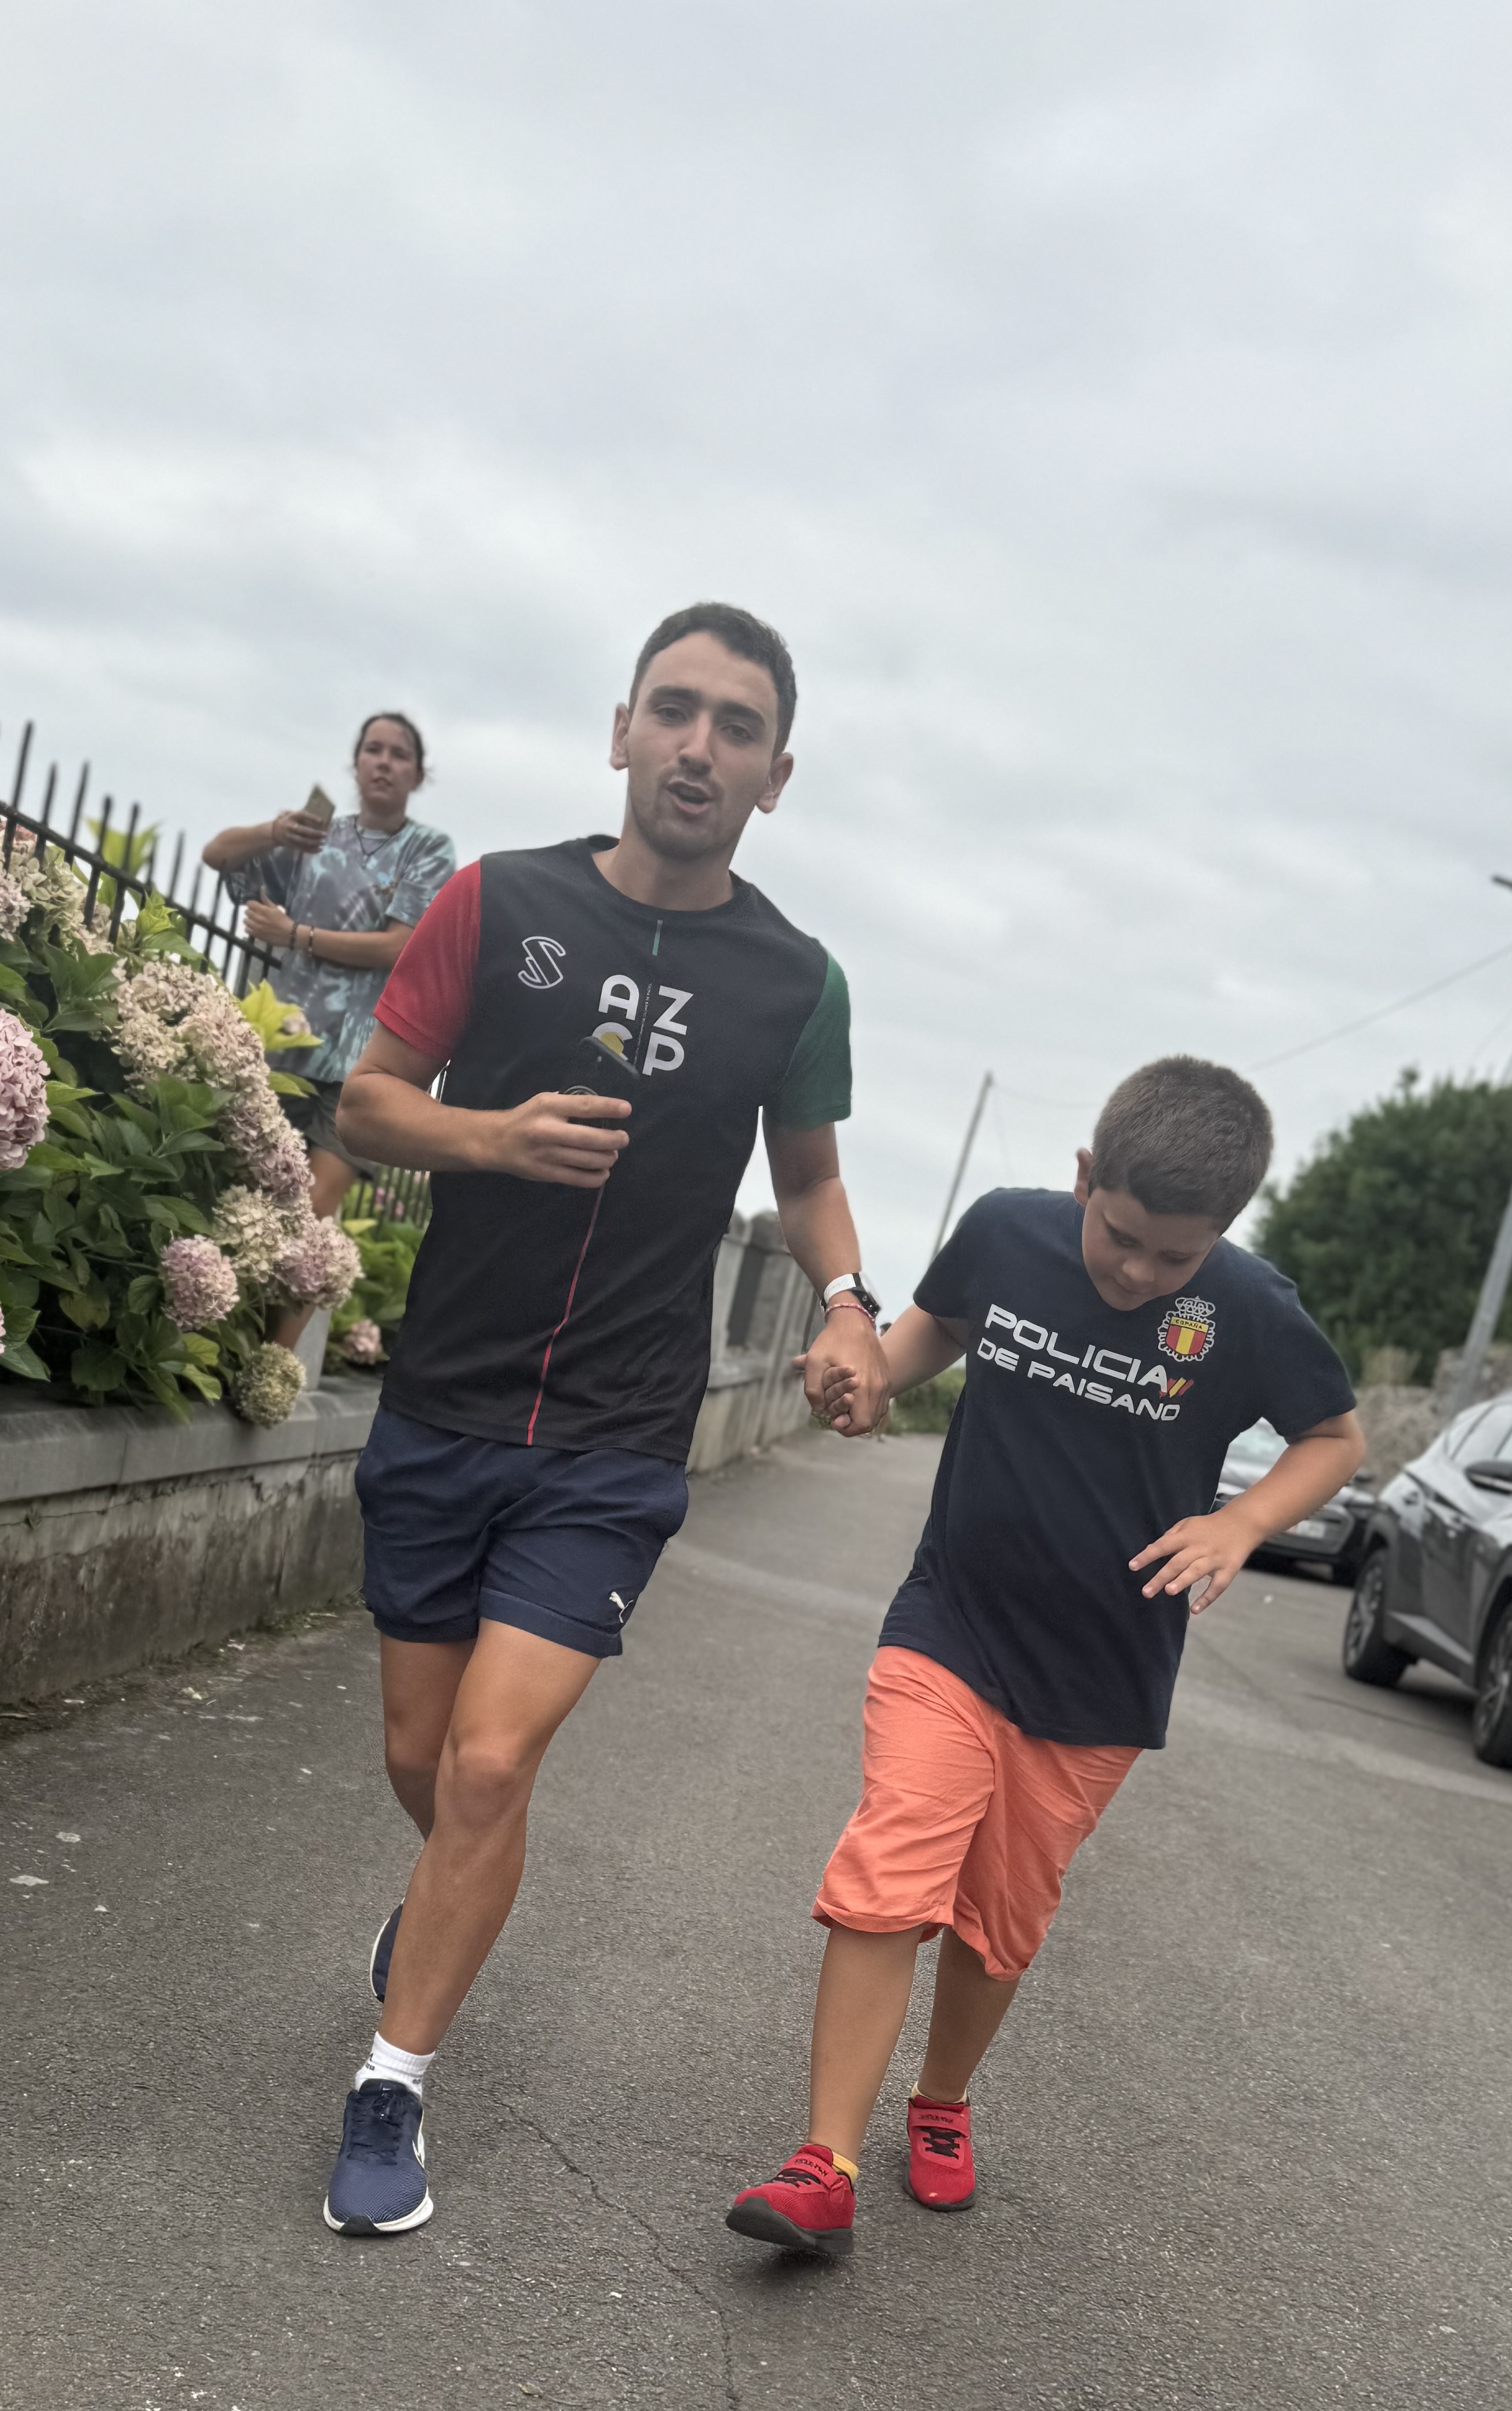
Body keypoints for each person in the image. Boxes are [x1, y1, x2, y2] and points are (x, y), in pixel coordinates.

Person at [318, 602, 892, 2238]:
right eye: (675, 712)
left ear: (777, 776)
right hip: (444, 1401)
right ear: (620, 731)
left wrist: (849, 1303)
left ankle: (392, 2081)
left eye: (735, 728)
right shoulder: (497, 898)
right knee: (422, 1759)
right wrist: (490, 1142)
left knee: (493, 1763)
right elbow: (367, 1100)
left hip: (618, 1434)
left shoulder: (797, 981)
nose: (699, 747)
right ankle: (449, 1890)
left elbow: (810, 1180)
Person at [725, 1057, 1367, 2253]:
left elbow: (1334, 1437)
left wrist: (1242, 1521)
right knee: (890, 1864)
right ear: (1085, 1176)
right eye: (1121, 1237)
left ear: (1220, 1236)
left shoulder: (1250, 1309)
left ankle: (943, 2102)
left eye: (1174, 1258)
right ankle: (824, 2162)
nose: (1138, 1272)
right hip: (951, 1625)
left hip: (1102, 1676)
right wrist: (869, 1379)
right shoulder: (1007, 1233)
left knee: (998, 1922)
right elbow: (936, 1334)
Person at [201, 714, 456, 1333]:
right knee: (249, 1201)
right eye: (373, 750)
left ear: (418, 774)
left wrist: (296, 935)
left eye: (399, 754)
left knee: (312, 1215)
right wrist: (272, 831)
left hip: (362, 1064)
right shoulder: (316, 839)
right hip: (282, 1049)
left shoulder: (428, 849)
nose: (384, 763)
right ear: (356, 762)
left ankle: (270, 1364)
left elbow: (401, 947)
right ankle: (221, 1338)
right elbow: (216, 855)